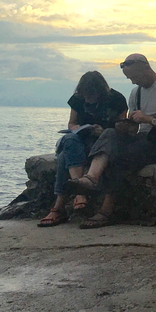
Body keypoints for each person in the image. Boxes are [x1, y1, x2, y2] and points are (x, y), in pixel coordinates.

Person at [68, 55, 156, 228]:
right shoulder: (136, 92)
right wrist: (126, 127)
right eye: (130, 79)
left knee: (120, 159)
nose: (132, 82)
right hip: (142, 138)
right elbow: (134, 131)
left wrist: (150, 119)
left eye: (134, 77)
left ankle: (107, 211)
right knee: (109, 133)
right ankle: (91, 177)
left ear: (145, 68)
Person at [38, 72, 128, 226]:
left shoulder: (116, 100)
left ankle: (59, 208)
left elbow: (123, 127)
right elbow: (71, 123)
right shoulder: (77, 99)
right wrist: (77, 128)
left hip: (103, 143)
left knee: (63, 158)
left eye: (90, 95)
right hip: (82, 140)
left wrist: (104, 130)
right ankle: (79, 190)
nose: (87, 98)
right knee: (69, 139)